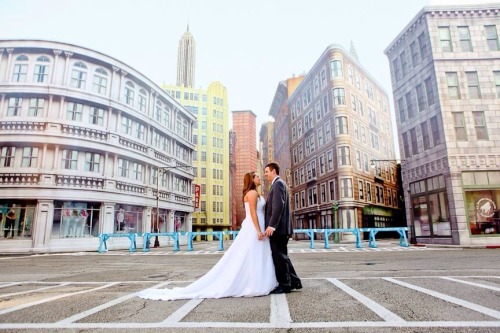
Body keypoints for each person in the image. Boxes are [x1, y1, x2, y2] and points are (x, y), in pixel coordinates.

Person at [138, 172, 277, 300]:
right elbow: (253, 213)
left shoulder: (254, 193)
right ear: (252, 180)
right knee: (251, 255)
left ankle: (255, 281)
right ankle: (253, 283)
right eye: (257, 176)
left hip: (256, 226)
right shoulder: (252, 193)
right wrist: (258, 230)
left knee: (253, 255)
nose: (260, 177)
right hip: (253, 228)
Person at [264, 162, 302, 294]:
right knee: (283, 256)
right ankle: (294, 281)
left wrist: (272, 225)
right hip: (281, 228)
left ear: (273, 171)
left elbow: (278, 206)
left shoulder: (278, 184)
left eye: (267, 172)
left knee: (279, 256)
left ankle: (285, 285)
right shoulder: (278, 184)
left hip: (278, 229)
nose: (265, 175)